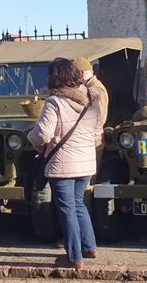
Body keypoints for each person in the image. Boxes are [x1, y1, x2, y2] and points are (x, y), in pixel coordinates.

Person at [28, 58, 103, 269]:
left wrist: (30, 138)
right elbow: (98, 131)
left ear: (54, 77)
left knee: (67, 208)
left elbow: (43, 134)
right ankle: (90, 247)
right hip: (86, 162)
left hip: (63, 164)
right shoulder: (90, 99)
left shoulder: (54, 102)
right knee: (78, 204)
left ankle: (73, 257)